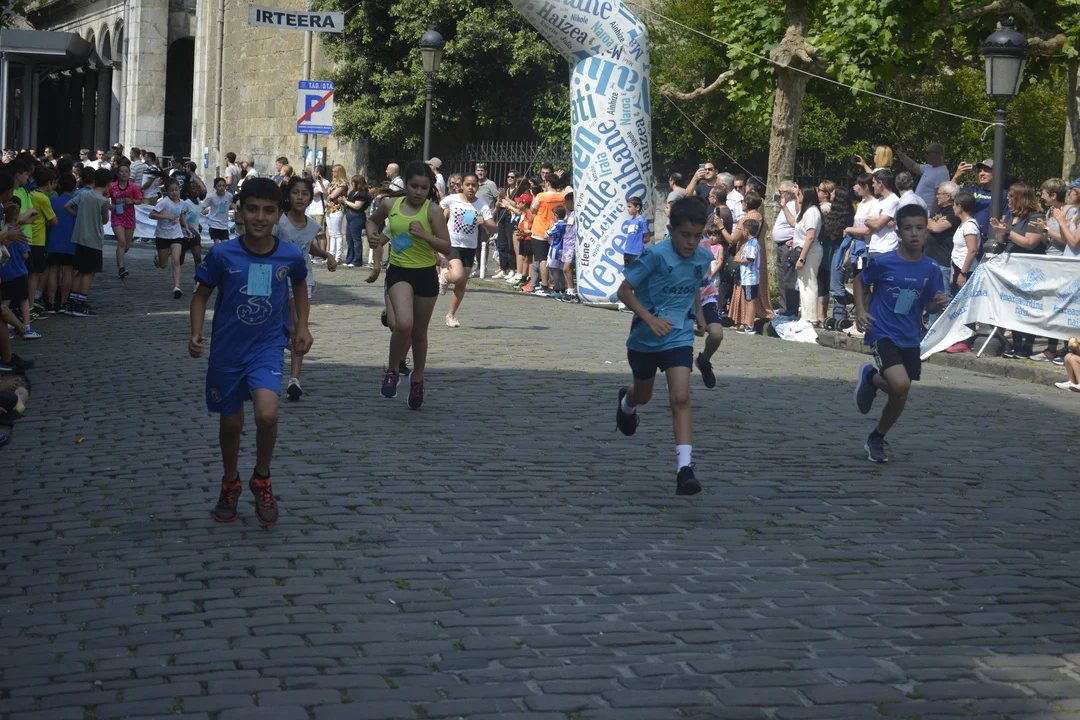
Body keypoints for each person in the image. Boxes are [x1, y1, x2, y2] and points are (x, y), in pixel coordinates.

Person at [189, 177, 311, 527]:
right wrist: (196, 331)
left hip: (267, 347)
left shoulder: (289, 254)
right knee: (232, 423)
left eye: (268, 211)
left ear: (279, 214)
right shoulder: (222, 254)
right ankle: (230, 482)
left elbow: (300, 284)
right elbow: (200, 295)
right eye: (252, 209)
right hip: (227, 351)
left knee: (267, 415)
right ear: (239, 212)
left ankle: (262, 478)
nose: (260, 217)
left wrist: (302, 326)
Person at [614, 196, 712, 495]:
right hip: (645, 338)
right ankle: (626, 403)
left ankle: (685, 469)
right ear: (671, 230)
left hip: (678, 336)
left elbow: (693, 285)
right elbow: (624, 291)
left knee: (680, 397)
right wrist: (650, 319)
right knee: (643, 395)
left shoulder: (703, 257)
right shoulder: (655, 256)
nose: (691, 242)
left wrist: (698, 315)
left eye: (697, 236)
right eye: (685, 235)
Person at [853, 204, 949, 464]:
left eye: (919, 228)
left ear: (927, 232)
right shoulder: (884, 262)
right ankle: (872, 378)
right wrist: (860, 310)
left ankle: (877, 435)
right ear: (898, 232)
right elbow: (860, 281)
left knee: (900, 392)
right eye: (908, 228)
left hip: (910, 335)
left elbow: (928, 305)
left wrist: (937, 303)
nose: (914, 233)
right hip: (882, 330)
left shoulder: (931, 268)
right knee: (900, 384)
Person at [366, 161, 451, 409]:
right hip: (399, 271)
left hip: (425, 274)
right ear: (406, 184)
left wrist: (424, 235)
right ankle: (392, 370)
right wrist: (372, 235)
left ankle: (418, 379)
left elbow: (446, 246)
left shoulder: (432, 211)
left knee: (419, 333)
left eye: (424, 188)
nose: (418, 192)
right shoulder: (390, 204)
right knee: (403, 324)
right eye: (414, 186)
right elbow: (372, 221)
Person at [274, 176, 337, 401]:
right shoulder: (279, 223)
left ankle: (294, 379)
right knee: (284, 327)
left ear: (311, 198)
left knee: (299, 326)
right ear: (288, 196)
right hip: (278, 281)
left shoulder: (312, 226)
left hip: (303, 282)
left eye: (305, 194)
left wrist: (327, 254)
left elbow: (309, 247)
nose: (300, 197)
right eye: (295, 193)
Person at [991, 183, 1046, 360]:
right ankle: (1015, 343)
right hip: (1011, 267)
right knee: (1013, 305)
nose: (1007, 199)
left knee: (1028, 307)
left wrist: (1008, 233)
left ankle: (1027, 345)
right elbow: (1003, 240)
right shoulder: (1010, 215)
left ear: (1021, 198)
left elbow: (1030, 243)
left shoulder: (1035, 216)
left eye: (1011, 196)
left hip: (1029, 268)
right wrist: (999, 231)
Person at [439, 172, 496, 327]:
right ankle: (445, 276)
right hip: (453, 244)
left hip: (470, 246)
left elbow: (494, 227)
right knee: (457, 275)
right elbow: (438, 211)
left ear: (478, 187)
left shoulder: (481, 205)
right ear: (462, 186)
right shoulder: (452, 199)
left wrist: (484, 222)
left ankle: (451, 315)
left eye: (474, 185)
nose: (471, 188)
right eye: (468, 184)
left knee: (461, 283)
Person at [63, 168, 111, 317]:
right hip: (94, 239)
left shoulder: (83, 194)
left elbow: (67, 206)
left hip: (80, 237)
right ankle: (80, 303)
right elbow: (105, 220)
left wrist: (79, 216)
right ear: (108, 183)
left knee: (80, 270)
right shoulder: (103, 200)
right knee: (89, 273)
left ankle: (72, 302)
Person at [925, 181, 961, 331]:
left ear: (948, 196)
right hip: (930, 260)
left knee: (942, 298)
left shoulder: (953, 214)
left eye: (939, 194)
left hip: (943, 262)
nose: (936, 197)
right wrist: (930, 221)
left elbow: (936, 228)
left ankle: (940, 332)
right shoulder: (939, 211)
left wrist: (928, 220)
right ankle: (931, 330)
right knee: (931, 297)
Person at [785, 185, 823, 323]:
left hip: (810, 253)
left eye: (799, 194)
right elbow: (797, 226)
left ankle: (810, 317)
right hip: (804, 249)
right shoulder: (805, 211)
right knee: (803, 285)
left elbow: (811, 236)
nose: (797, 196)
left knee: (809, 285)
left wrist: (802, 258)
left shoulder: (812, 212)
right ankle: (806, 316)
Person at [148, 178, 189, 299]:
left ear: (180, 189)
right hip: (162, 235)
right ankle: (159, 257)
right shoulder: (164, 202)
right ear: (167, 191)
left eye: (176, 189)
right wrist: (166, 216)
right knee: (163, 264)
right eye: (171, 190)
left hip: (176, 234)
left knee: (176, 260)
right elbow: (151, 214)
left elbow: (182, 214)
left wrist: (186, 227)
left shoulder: (182, 203)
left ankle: (177, 287)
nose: (174, 192)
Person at [526, 173, 565, 295]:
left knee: (542, 258)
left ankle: (544, 285)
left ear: (547, 183)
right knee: (554, 259)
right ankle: (557, 285)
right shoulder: (562, 197)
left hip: (540, 230)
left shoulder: (541, 196)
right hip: (555, 230)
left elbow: (533, 210)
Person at [26, 166, 57, 314]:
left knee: (28, 273)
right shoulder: (44, 198)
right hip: (38, 240)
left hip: (28, 237)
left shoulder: (31, 194)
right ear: (49, 183)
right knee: (35, 274)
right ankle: (30, 305)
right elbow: (54, 220)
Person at [1, 202, 34, 339]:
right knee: (24, 300)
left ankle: (6, 328)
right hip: (19, 272)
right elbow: (25, 254)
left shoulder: (3, 232)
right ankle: (27, 328)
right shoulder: (18, 233)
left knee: (5, 302)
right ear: (16, 219)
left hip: (4, 273)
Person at [45, 173, 78, 312]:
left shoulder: (52, 201)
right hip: (70, 241)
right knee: (67, 272)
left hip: (54, 240)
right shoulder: (75, 203)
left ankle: (51, 302)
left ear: (59, 185)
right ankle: (64, 301)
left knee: (53, 271)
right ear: (74, 187)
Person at [952, 158, 1003, 240]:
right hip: (970, 238)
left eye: (986, 171)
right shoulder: (972, 191)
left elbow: (1005, 219)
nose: (981, 174)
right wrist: (956, 176)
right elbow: (949, 193)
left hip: (991, 240)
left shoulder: (1003, 194)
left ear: (997, 173)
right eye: (979, 171)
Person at [730, 217, 764, 335]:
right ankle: (749, 325)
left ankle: (749, 326)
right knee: (750, 300)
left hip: (750, 277)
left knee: (750, 301)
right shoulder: (754, 243)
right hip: (750, 277)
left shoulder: (751, 244)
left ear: (745, 231)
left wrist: (738, 259)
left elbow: (750, 259)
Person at [109, 164, 142, 279]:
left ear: (129, 174)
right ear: (117, 174)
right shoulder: (112, 186)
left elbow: (140, 200)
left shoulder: (133, 187)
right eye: (121, 171)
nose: (124, 174)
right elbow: (103, 197)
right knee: (121, 242)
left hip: (129, 217)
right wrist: (109, 205)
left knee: (127, 245)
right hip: (117, 216)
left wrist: (132, 201)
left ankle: (120, 257)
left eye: (126, 172)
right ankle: (121, 268)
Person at [897, 142, 949, 212]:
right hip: (918, 210)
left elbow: (938, 197)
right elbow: (912, 165)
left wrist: (933, 215)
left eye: (928, 153)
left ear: (937, 153)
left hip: (926, 212)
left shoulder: (942, 173)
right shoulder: (929, 167)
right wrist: (899, 153)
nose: (925, 155)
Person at [772, 180, 799, 316]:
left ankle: (790, 308)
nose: (779, 195)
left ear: (789, 193)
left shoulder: (794, 205)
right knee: (782, 277)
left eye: (781, 192)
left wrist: (795, 240)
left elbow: (798, 223)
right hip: (781, 245)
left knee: (788, 278)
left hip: (787, 246)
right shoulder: (787, 205)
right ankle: (784, 307)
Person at [950, 191, 980, 294]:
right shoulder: (963, 224)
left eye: (954, 205)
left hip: (965, 270)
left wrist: (963, 273)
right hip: (957, 267)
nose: (953, 207)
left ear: (960, 206)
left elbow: (972, 250)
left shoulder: (969, 226)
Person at [865, 169, 900, 256]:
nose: (872, 185)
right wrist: (867, 221)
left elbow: (877, 226)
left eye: (874, 183)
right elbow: (869, 220)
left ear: (880, 183)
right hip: (873, 248)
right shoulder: (878, 201)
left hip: (886, 249)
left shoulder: (893, 200)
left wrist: (873, 221)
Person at [492, 170, 520, 280]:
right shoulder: (506, 189)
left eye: (512, 177)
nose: (510, 179)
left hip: (511, 218)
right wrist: (499, 201)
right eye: (508, 176)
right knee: (501, 244)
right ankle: (503, 268)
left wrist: (505, 198)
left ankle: (512, 269)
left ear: (516, 179)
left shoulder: (517, 191)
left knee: (510, 245)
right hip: (502, 217)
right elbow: (499, 203)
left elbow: (516, 204)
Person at [343, 174, 371, 267]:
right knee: (349, 239)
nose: (352, 184)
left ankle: (357, 260)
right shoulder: (353, 192)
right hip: (350, 215)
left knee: (356, 239)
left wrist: (345, 201)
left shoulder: (362, 193)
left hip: (357, 216)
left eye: (353, 182)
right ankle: (349, 259)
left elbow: (357, 206)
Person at [324, 164, 348, 264]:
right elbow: (327, 194)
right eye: (332, 171)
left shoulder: (343, 184)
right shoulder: (333, 183)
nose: (332, 173)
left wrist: (329, 193)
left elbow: (333, 195)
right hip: (329, 208)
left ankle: (338, 256)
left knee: (337, 233)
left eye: (334, 171)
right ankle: (331, 255)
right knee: (331, 233)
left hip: (337, 209)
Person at [201, 178, 233, 245]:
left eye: (224, 186)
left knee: (225, 243)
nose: (222, 188)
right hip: (214, 224)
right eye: (219, 186)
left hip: (224, 225)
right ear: (215, 187)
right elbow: (203, 206)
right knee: (217, 243)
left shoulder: (229, 196)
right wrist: (203, 211)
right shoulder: (211, 197)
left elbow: (233, 205)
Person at [307, 164, 329, 257]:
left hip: (319, 210)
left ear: (319, 173)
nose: (314, 173)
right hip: (312, 210)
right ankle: (315, 254)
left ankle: (323, 254)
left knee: (321, 234)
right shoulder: (315, 183)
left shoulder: (325, 182)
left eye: (316, 171)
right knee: (313, 234)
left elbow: (314, 193)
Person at [621, 196, 650, 267]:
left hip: (636, 253)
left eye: (629, 207)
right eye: (627, 207)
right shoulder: (630, 221)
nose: (627, 209)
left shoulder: (642, 220)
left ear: (637, 207)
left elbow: (647, 238)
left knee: (636, 271)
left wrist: (638, 243)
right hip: (627, 251)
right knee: (628, 271)